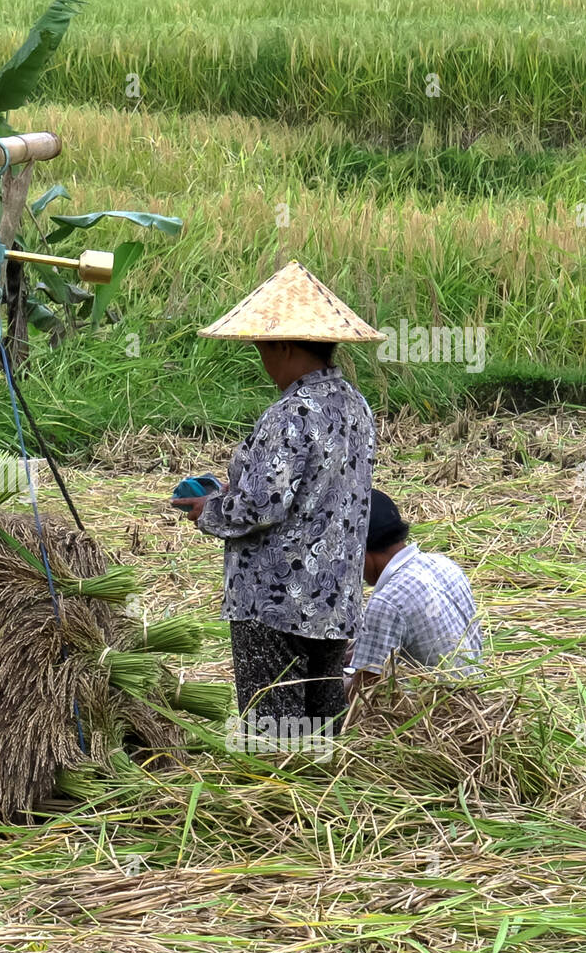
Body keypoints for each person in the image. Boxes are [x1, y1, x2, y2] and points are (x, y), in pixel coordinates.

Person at [173, 260, 382, 730]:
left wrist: (210, 509)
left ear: (284, 345)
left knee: (275, 737)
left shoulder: (290, 413)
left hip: (274, 605)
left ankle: (279, 805)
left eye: (263, 348)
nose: (262, 360)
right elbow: (311, 492)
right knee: (320, 728)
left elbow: (261, 506)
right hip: (332, 602)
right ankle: (323, 804)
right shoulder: (355, 406)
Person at [345, 489, 483, 696]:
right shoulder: (445, 564)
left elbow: (364, 694)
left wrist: (325, 685)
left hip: (433, 715)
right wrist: (359, 652)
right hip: (475, 698)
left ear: (360, 551)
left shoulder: (386, 602)